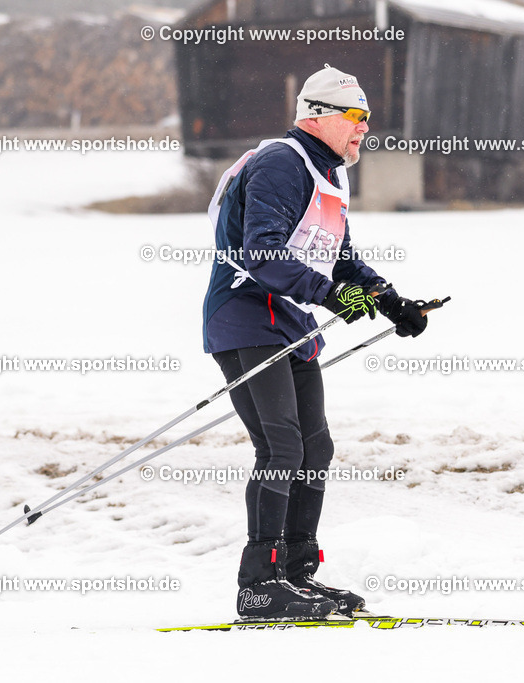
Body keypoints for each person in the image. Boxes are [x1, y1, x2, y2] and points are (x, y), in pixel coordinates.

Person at [202, 64, 430, 620]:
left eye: (368, 119)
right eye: (357, 118)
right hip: (245, 317)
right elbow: (264, 253)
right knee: (280, 449)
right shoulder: (282, 161)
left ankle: (297, 575)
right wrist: (333, 298)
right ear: (319, 117)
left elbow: (340, 256)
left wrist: (390, 300)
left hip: (290, 321)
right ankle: (259, 583)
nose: (365, 130)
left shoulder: (328, 171)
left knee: (314, 450)